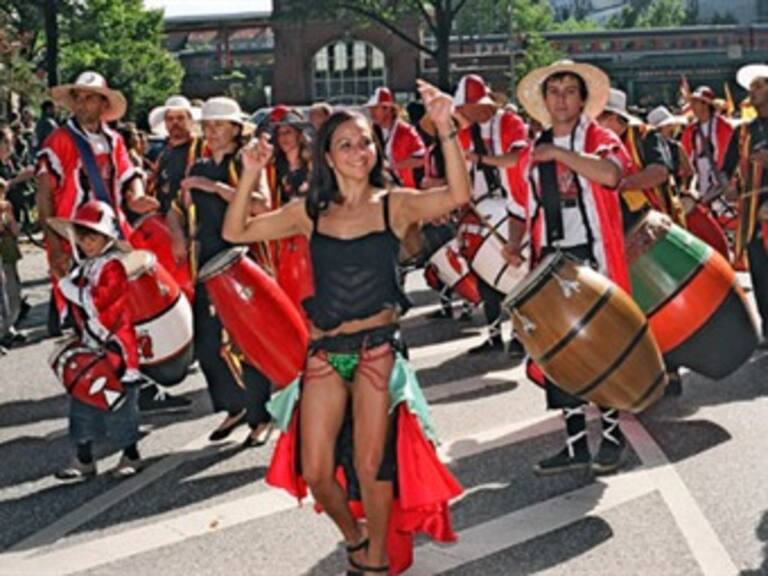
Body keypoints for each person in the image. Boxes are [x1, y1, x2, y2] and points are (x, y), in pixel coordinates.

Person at [221, 80, 466, 575]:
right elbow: (236, 232)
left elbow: (458, 193)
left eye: (365, 142)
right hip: (326, 350)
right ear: (328, 157)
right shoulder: (309, 213)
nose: (359, 151)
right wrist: (249, 173)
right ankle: (354, 536)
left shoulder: (395, 203)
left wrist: (445, 128)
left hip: (379, 346)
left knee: (374, 463)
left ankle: (376, 556)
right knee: (316, 468)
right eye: (346, 144)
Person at [506, 60, 631, 475]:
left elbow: (611, 175)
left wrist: (560, 153)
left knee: (601, 348)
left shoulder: (600, 137)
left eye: (569, 91)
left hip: (594, 255)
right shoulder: (529, 153)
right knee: (559, 354)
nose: (561, 98)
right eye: (553, 90)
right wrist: (513, 245)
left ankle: (612, 436)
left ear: (581, 100)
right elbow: (520, 209)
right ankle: (576, 442)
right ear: (544, 101)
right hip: (551, 260)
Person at [170, 96, 274, 448]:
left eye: (218, 125)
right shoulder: (195, 165)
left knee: (246, 343)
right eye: (208, 125)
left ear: (235, 129)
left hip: (240, 263)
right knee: (208, 344)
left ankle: (261, 416)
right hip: (205, 264)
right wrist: (178, 234)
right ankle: (236, 405)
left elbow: (262, 204)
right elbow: (176, 208)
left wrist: (215, 188)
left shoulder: (244, 163)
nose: (211, 132)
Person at [36, 70, 159, 330]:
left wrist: (137, 197)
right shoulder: (59, 140)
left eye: (89, 98)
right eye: (78, 98)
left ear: (104, 104)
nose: (82, 104)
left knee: (124, 302)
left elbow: (128, 175)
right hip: (75, 238)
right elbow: (44, 193)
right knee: (86, 313)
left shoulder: (115, 141)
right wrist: (55, 246)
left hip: (112, 232)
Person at [47, 200, 144, 480]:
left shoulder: (113, 266)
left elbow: (101, 306)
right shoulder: (85, 266)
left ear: (106, 238)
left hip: (117, 351)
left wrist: (66, 284)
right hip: (92, 349)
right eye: (83, 237)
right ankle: (84, 459)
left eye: (93, 237)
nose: (87, 243)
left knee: (121, 406)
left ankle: (131, 455)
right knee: (83, 403)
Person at [453, 74, 529, 355]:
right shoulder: (466, 134)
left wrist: (480, 159)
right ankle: (495, 333)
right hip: (481, 209)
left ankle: (522, 335)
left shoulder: (510, 123)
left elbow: (517, 159)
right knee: (485, 275)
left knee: (518, 272)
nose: (461, 113)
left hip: (515, 207)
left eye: (464, 108)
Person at [722, 63, 768, 347]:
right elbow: (728, 168)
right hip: (753, 214)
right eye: (752, 87)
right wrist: (729, 186)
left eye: (760, 85)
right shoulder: (743, 132)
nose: (753, 91)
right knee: (761, 274)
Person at [148, 95, 204, 216]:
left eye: (180, 118)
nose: (175, 122)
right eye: (170, 119)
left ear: (190, 120)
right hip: (164, 219)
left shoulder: (202, 148)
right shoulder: (163, 154)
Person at [365, 86, 426, 188]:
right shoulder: (369, 132)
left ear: (387, 109)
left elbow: (421, 159)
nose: (371, 112)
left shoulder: (406, 131)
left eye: (375, 108)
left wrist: (391, 166)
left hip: (407, 190)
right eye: (370, 108)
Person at [0, 178, 24, 347]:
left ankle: (10, 326)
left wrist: (9, 218)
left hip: (8, 250)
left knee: (13, 288)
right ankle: (5, 329)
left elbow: (15, 230)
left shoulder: (7, 206)